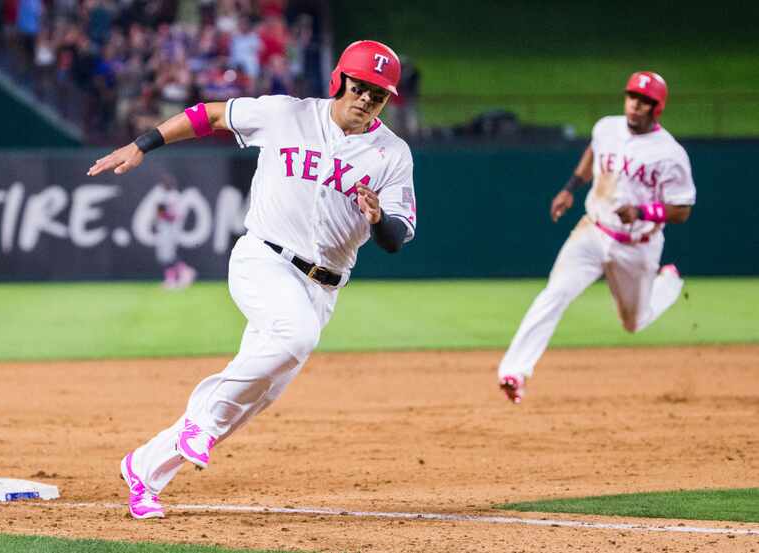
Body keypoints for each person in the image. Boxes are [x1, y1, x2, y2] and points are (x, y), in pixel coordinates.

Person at [87, 39, 417, 519]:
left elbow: (397, 236)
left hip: (322, 288)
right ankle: (195, 425)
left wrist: (379, 217)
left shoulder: (392, 154)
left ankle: (145, 468)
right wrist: (143, 145)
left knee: (251, 399)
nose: (366, 98)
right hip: (264, 260)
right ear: (340, 79)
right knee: (294, 336)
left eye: (378, 93)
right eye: (360, 85)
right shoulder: (287, 114)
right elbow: (211, 116)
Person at [497, 71, 696, 404]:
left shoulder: (670, 154)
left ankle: (668, 283)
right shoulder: (607, 127)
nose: (636, 105)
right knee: (554, 294)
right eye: (633, 97)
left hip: (638, 246)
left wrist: (644, 213)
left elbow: (683, 209)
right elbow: (593, 153)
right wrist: (569, 189)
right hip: (593, 231)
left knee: (634, 323)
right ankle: (514, 372)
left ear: (657, 108)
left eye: (645, 101)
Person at [153, 175, 197, 289]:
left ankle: (183, 272)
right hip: (171, 228)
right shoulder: (175, 195)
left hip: (168, 229)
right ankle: (173, 278)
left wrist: (166, 216)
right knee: (168, 256)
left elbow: (161, 214)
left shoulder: (165, 196)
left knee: (168, 256)